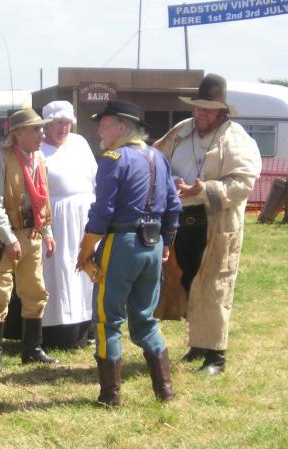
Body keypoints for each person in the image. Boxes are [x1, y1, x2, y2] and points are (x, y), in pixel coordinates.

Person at [155, 73, 262, 376]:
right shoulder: (181, 130)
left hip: (215, 222)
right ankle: (199, 344)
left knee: (215, 286)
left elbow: (242, 183)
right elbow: (157, 158)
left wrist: (202, 190)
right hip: (181, 219)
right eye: (198, 107)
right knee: (189, 281)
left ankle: (216, 356)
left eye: (208, 109)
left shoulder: (235, 138)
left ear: (221, 111)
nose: (201, 113)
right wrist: (169, 182)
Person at [76, 100, 181, 406]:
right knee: (146, 320)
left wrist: (86, 250)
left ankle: (110, 396)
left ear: (121, 127)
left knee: (107, 321)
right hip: (153, 244)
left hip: (121, 245)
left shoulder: (113, 158)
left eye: (104, 125)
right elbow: (173, 206)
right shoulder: (159, 158)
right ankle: (165, 391)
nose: (99, 131)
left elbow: (102, 211)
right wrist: (167, 244)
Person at [0, 108, 59, 372]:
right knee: (0, 291)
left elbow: (43, 198)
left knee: (35, 290)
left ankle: (32, 349)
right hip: (9, 235)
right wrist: (8, 238)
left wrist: (47, 231)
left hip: (33, 234)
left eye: (42, 128)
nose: (42, 134)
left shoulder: (39, 159)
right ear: (17, 134)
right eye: (35, 129)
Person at [39, 101, 97, 349]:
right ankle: (57, 332)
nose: (64, 127)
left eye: (67, 122)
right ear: (47, 125)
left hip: (84, 217)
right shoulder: (39, 149)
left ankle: (87, 326)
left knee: (86, 271)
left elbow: (94, 177)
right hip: (57, 220)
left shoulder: (80, 143)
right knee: (58, 273)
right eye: (58, 123)